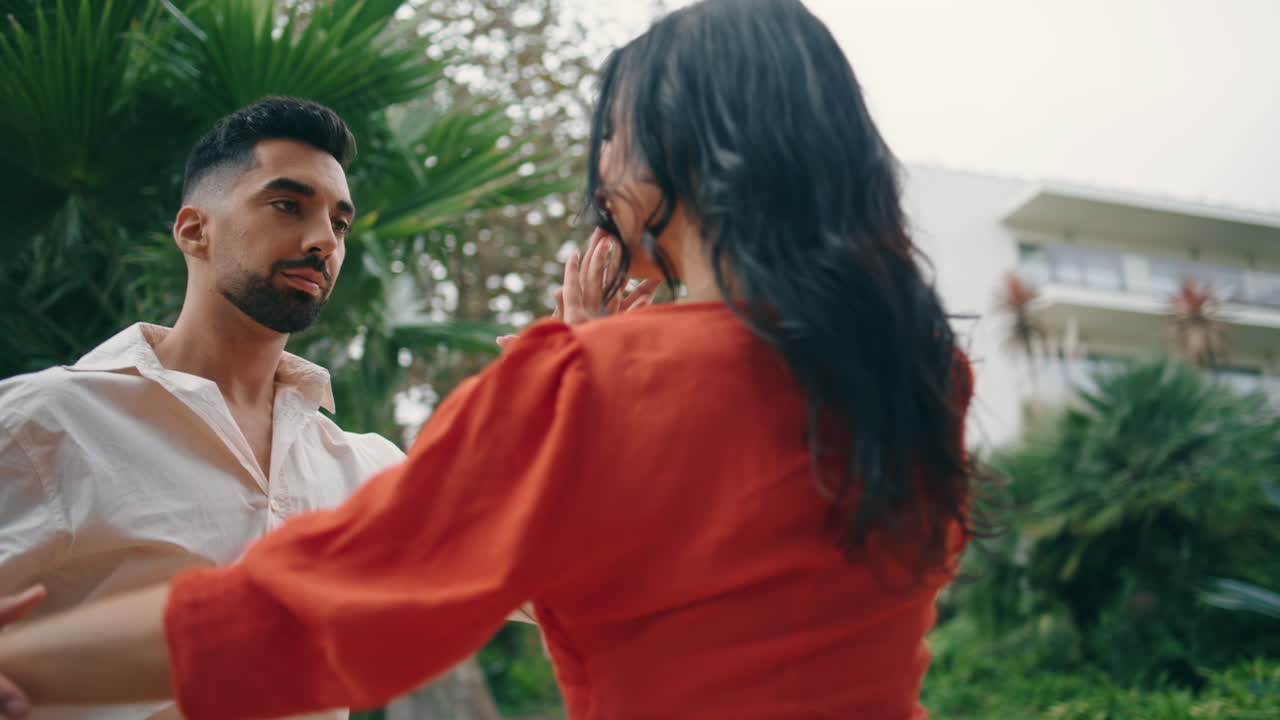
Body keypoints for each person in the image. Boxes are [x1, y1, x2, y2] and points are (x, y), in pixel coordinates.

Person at [0, 1, 978, 718]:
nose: (599, 168)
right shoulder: (919, 378)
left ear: (671, 152)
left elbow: (300, 617)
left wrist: (29, 664)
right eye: (287, 205)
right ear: (192, 228)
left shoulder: (581, 390)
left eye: (611, 134)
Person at [0, 98, 409, 720]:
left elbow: (548, 566)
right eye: (287, 205)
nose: (323, 241)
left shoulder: (366, 472)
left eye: (340, 224)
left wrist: (595, 380)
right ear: (195, 230)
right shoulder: (45, 422)